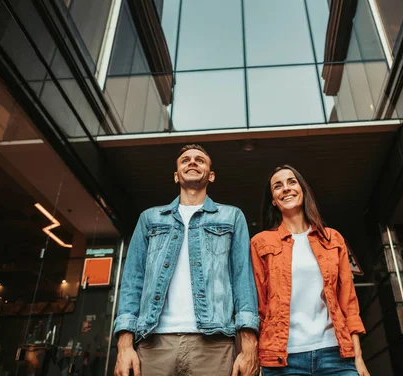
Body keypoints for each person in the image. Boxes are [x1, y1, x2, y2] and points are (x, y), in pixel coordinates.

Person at [114, 144, 260, 376]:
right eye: (186, 160)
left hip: (214, 345)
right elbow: (133, 282)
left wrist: (249, 347)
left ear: (211, 176)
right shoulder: (149, 219)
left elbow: (243, 280)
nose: (192, 162)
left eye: (200, 160)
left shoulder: (232, 216)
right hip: (154, 344)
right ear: (176, 175)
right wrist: (124, 346)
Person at [250, 165, 370, 376]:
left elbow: (348, 302)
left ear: (302, 190)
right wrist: (258, 360)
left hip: (336, 355)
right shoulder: (260, 243)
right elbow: (258, 306)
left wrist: (358, 357)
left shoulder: (332, 238)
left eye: (292, 182)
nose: (285, 189)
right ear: (273, 200)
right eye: (278, 186)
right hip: (282, 360)